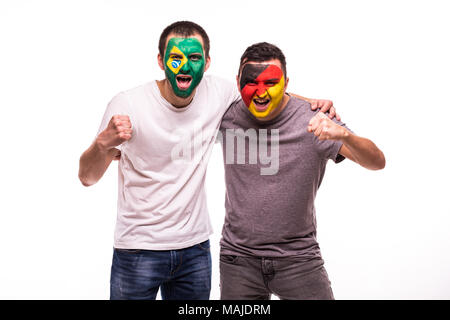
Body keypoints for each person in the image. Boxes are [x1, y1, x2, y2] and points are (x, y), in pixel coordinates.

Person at [78, 21, 337, 300]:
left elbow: (261, 92)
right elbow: (87, 177)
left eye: (194, 58)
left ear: (207, 62)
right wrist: (103, 143)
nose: (185, 66)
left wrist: (311, 101)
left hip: (194, 251)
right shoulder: (127, 103)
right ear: (160, 61)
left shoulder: (219, 93)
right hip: (138, 249)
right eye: (175, 58)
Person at [218, 42, 385, 300]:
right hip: (238, 259)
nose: (260, 92)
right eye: (251, 82)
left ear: (286, 82)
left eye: (271, 83)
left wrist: (345, 136)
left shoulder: (315, 121)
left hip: (298, 259)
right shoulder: (227, 115)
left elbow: (377, 162)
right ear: (238, 81)